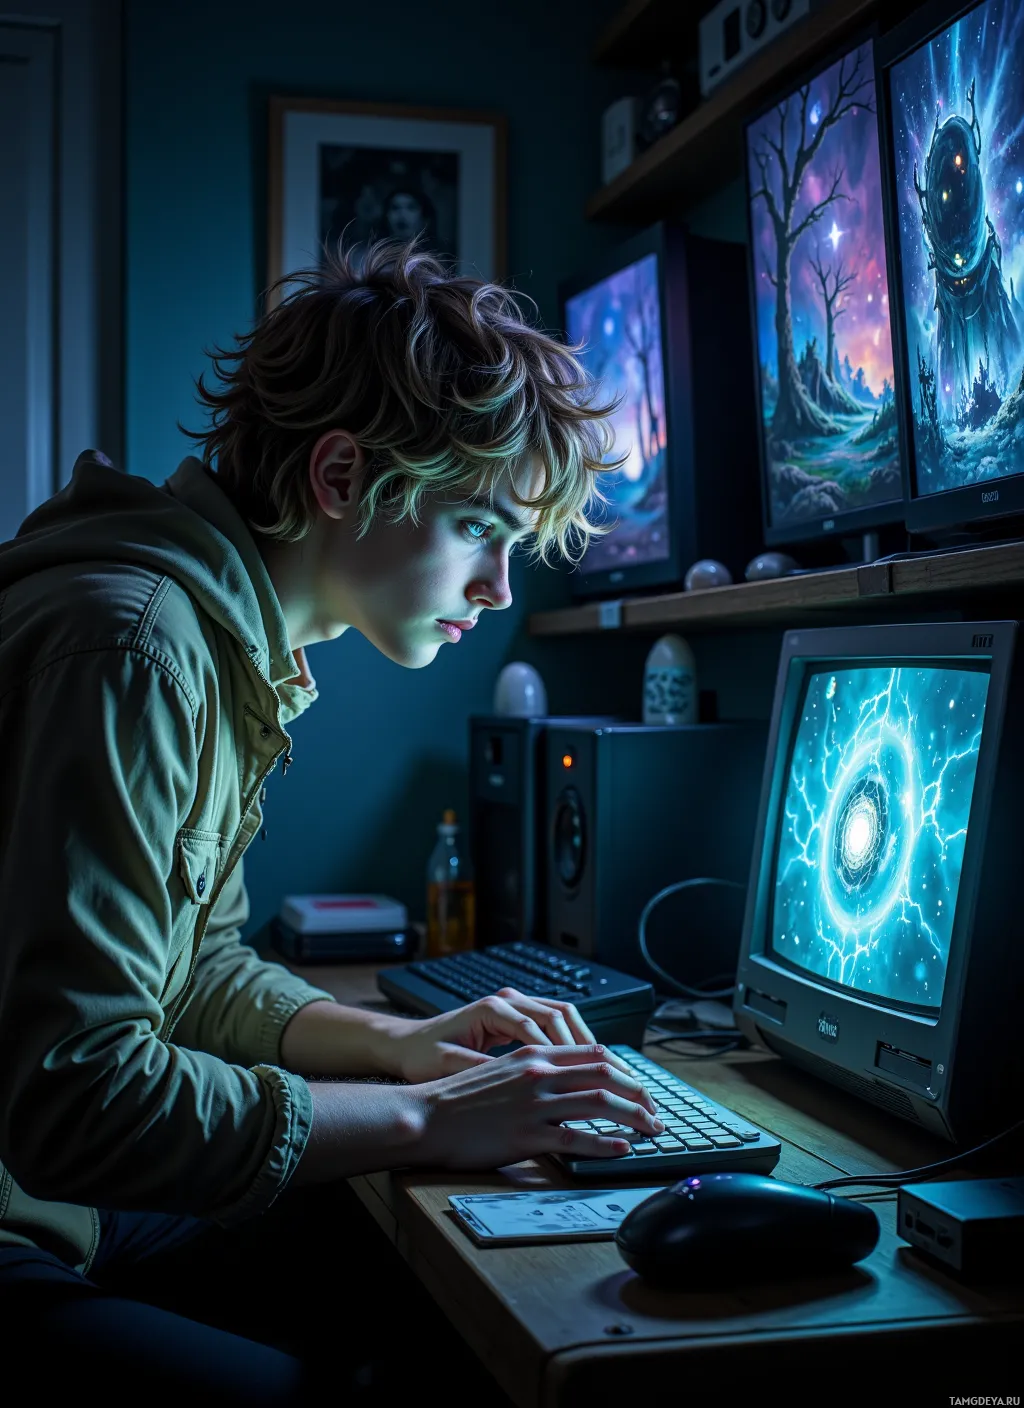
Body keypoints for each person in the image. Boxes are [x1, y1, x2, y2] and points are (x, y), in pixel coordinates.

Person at [0, 237, 652, 1400]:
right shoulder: (137, 648)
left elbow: (193, 970)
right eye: (479, 528)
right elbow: (77, 1098)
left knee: (401, 1286)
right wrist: (425, 1115)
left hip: (60, 1201)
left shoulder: (212, 637)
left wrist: (398, 1047)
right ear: (342, 476)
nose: (500, 588)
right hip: (24, 1216)